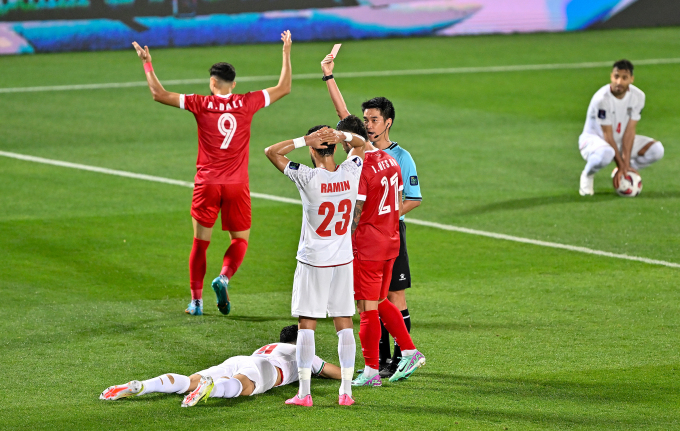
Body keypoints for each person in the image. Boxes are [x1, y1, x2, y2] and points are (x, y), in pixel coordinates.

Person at [131, 30, 293, 316]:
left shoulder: (201, 103)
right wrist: (286, 52)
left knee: (200, 242)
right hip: (237, 184)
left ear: (212, 83)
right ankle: (224, 277)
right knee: (239, 240)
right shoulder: (246, 102)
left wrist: (147, 63)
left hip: (206, 183)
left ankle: (196, 302)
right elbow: (284, 88)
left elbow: (159, 94)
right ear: (234, 84)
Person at [321, 54, 423, 378]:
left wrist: (343, 237)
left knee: (366, 309)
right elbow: (394, 203)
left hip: (368, 244)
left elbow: (357, 210)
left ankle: (370, 371)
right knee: (381, 302)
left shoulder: (362, 166)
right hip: (391, 240)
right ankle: (408, 351)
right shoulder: (388, 160)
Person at [264, 125, 366, 406]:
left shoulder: (307, 177)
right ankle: (346, 392)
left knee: (306, 325)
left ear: (312, 149)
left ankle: (305, 393)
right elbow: (361, 144)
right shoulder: (350, 171)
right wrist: (343, 136)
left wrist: (302, 139)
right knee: (344, 324)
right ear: (333, 147)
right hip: (343, 260)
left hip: (313, 262)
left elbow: (271, 152)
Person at [99, 325, 343, 407]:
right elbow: (332, 372)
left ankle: (143, 385)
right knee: (244, 387)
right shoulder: (301, 350)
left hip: (240, 359)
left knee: (187, 381)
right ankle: (212, 388)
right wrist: (355, 374)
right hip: (264, 369)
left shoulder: (269, 346)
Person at [578, 59, 664, 196]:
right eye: (616, 77)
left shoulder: (638, 96)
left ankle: (627, 171)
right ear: (611, 76)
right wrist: (620, 164)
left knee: (657, 150)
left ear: (631, 79)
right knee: (606, 154)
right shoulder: (602, 99)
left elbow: (630, 131)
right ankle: (587, 175)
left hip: (617, 141)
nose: (619, 82)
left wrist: (625, 165)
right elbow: (607, 135)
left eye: (624, 78)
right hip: (594, 141)